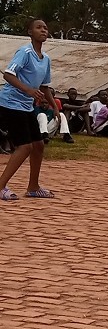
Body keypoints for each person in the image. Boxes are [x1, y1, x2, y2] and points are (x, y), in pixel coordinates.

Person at [0, 18, 61, 201]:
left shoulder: (46, 59)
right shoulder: (25, 52)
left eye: (45, 28)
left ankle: (33, 187)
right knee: (25, 146)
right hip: (10, 103)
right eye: (38, 27)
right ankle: (1, 186)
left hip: (26, 106)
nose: (43, 30)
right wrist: (28, 90)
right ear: (30, 32)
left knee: (38, 145)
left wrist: (54, 106)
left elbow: (44, 87)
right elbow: (8, 75)